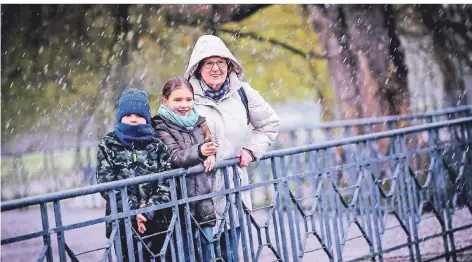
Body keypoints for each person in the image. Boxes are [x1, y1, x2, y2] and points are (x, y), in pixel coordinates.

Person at [184, 34, 280, 260]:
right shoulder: (187, 96)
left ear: (229, 64)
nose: (215, 68)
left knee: (230, 253)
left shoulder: (243, 92)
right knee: (201, 254)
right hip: (198, 191)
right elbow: (170, 131)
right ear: (198, 68)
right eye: (209, 63)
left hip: (233, 190)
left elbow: (270, 123)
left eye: (221, 62)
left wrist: (250, 149)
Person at [96, 88, 173, 262]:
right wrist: (134, 210)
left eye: (138, 115)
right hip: (121, 224)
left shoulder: (158, 145)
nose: (133, 118)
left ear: (146, 117)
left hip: (158, 222)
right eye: (128, 114)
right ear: (120, 116)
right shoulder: (107, 145)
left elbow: (166, 181)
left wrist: (148, 210)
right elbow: (106, 185)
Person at [151, 76, 217, 262]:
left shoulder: (200, 122)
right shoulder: (159, 126)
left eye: (188, 99)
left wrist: (211, 154)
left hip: (204, 202)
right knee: (185, 255)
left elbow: (210, 146)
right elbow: (174, 156)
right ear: (165, 101)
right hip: (178, 205)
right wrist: (200, 151)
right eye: (178, 100)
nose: (184, 105)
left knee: (208, 255)